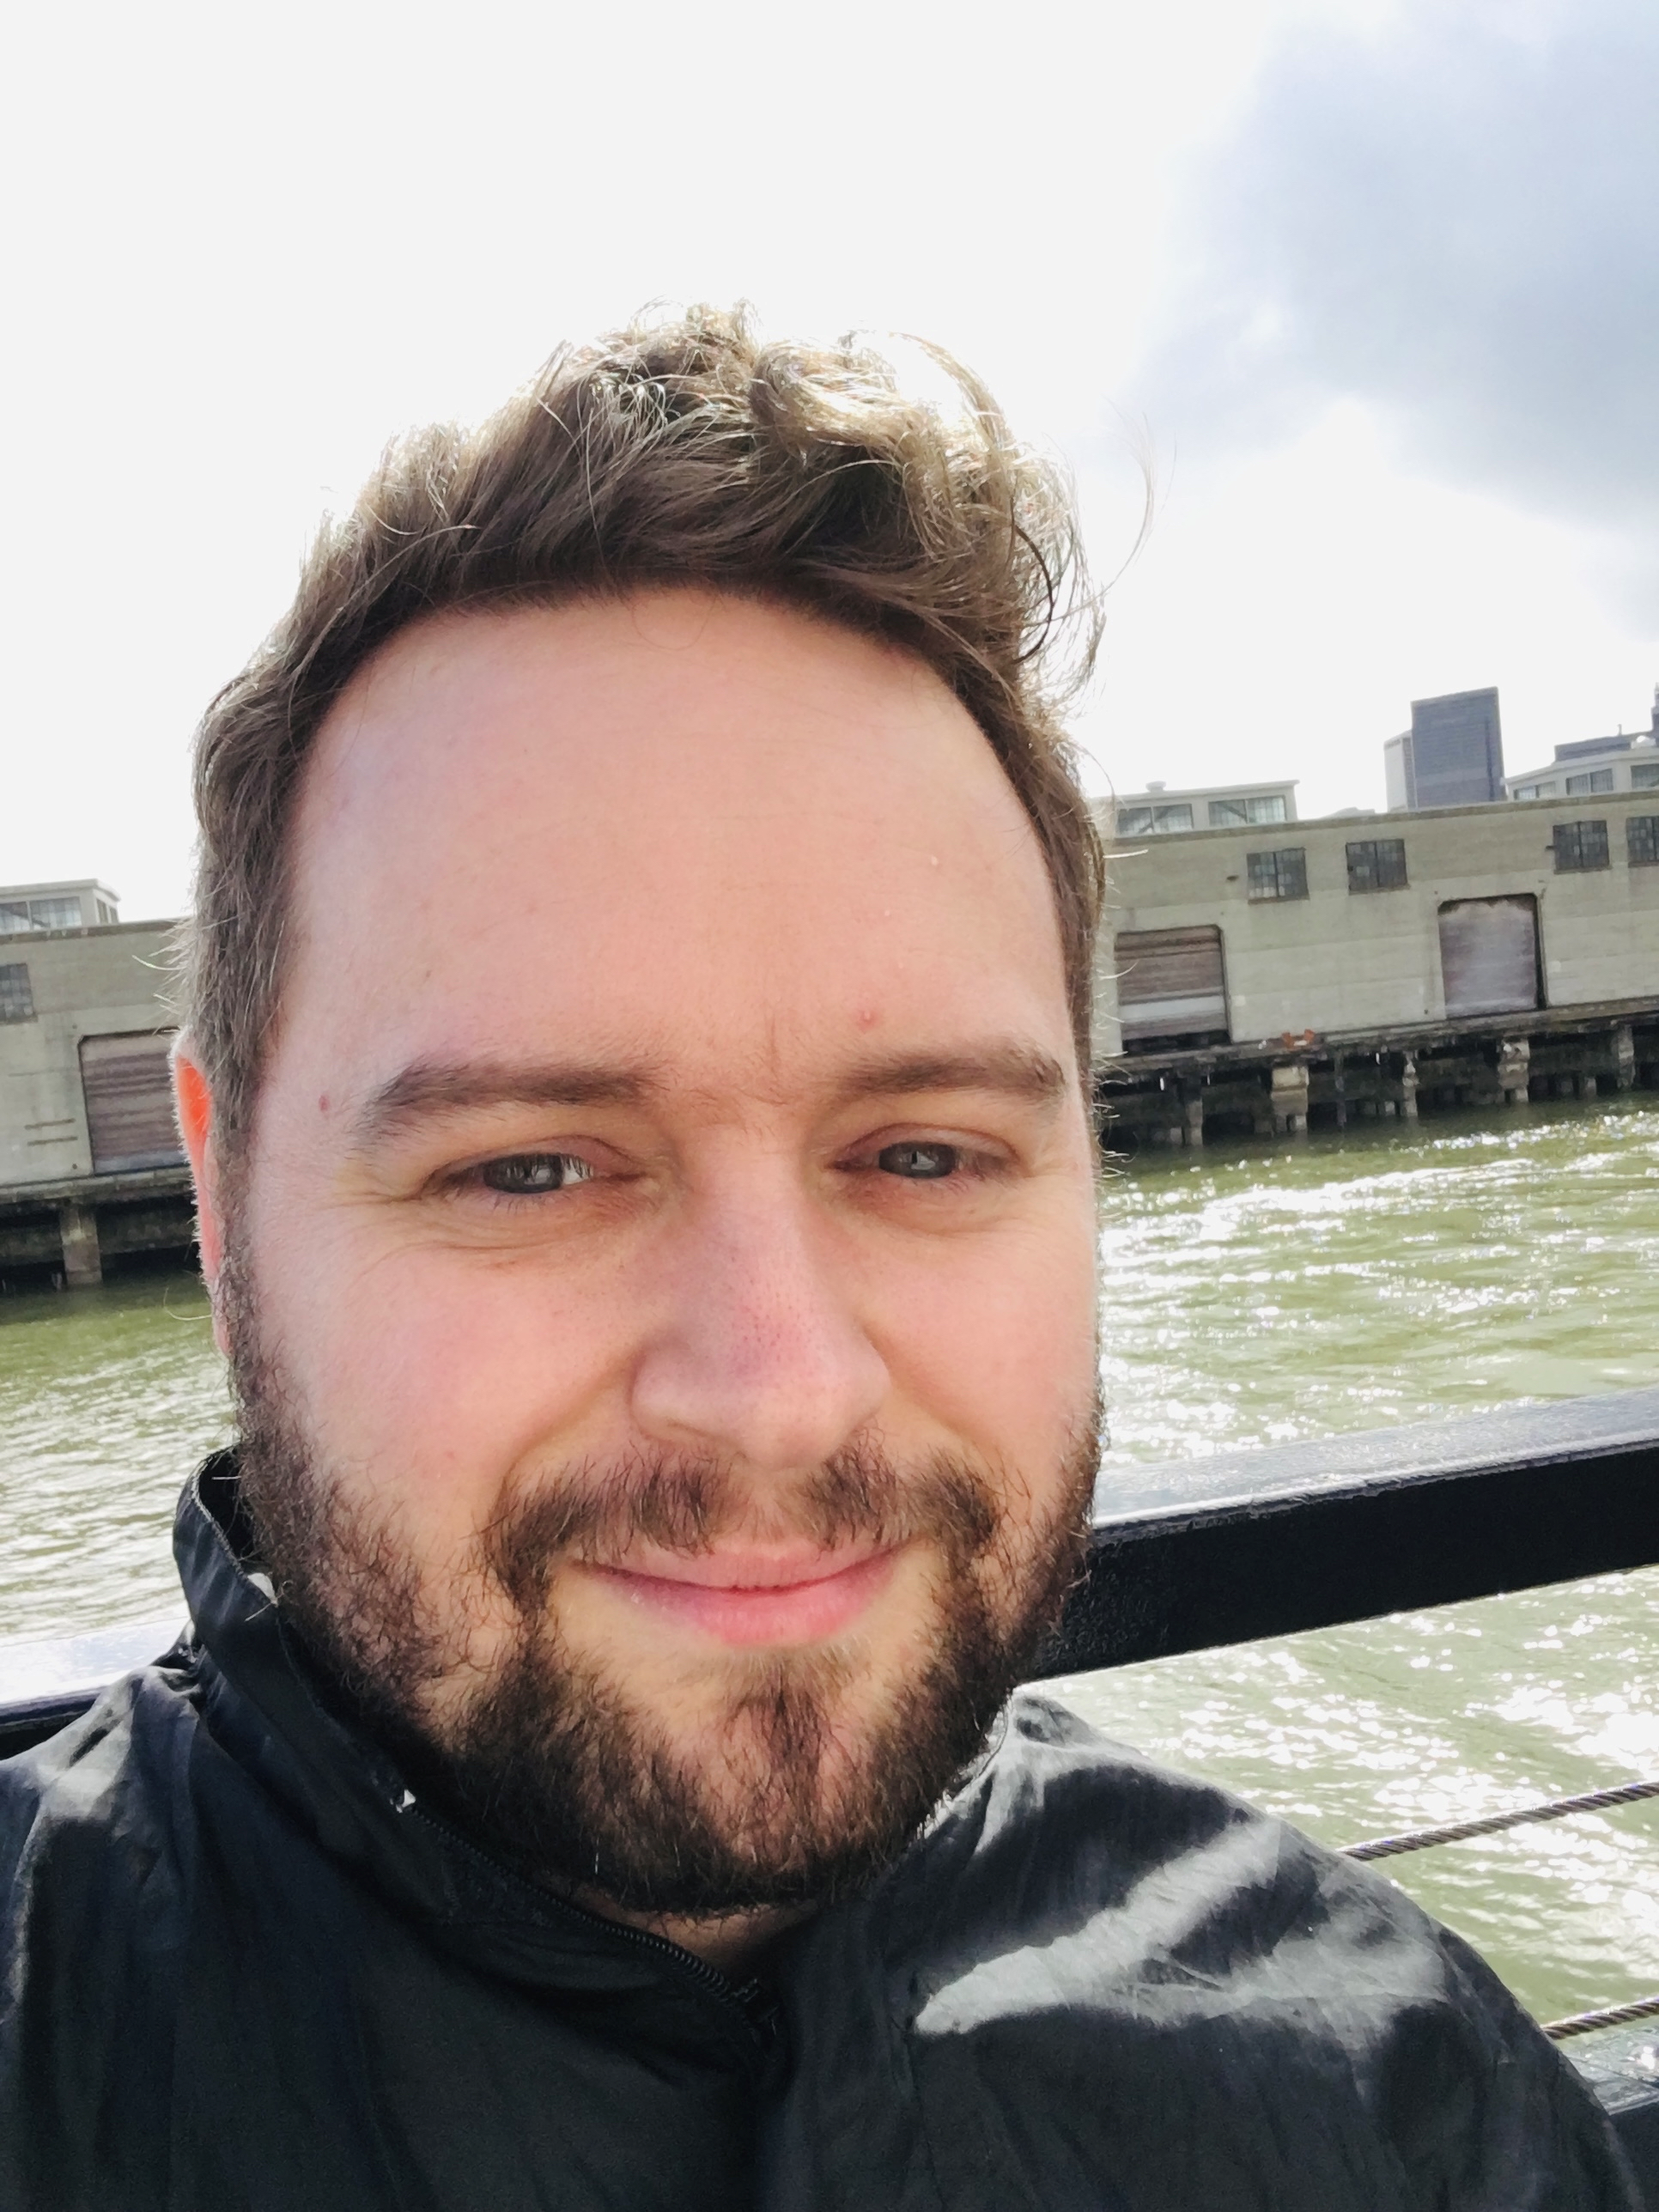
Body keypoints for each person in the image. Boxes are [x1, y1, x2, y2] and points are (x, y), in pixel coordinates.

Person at [0, 307, 1636, 2211]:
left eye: (925, 1151)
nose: (782, 1386)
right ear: (219, 1211)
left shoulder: (1399, 2090)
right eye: (530, 1167)